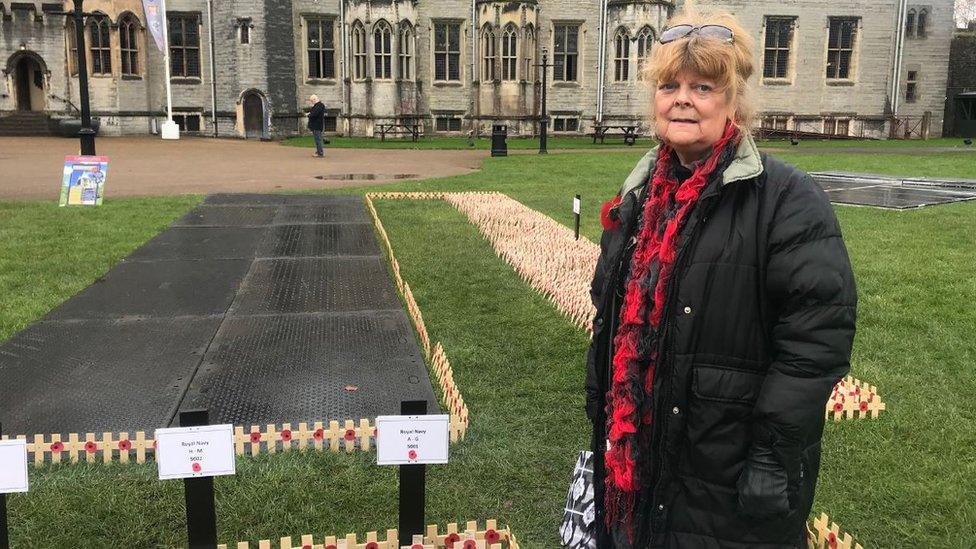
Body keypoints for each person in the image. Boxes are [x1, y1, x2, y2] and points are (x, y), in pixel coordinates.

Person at [585, 8, 857, 549]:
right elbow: (609, 319)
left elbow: (815, 341)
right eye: (669, 85)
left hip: (728, 475)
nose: (681, 99)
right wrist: (602, 412)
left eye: (702, 86)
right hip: (639, 463)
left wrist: (771, 457)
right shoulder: (640, 197)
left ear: (733, 99)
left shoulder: (786, 199)